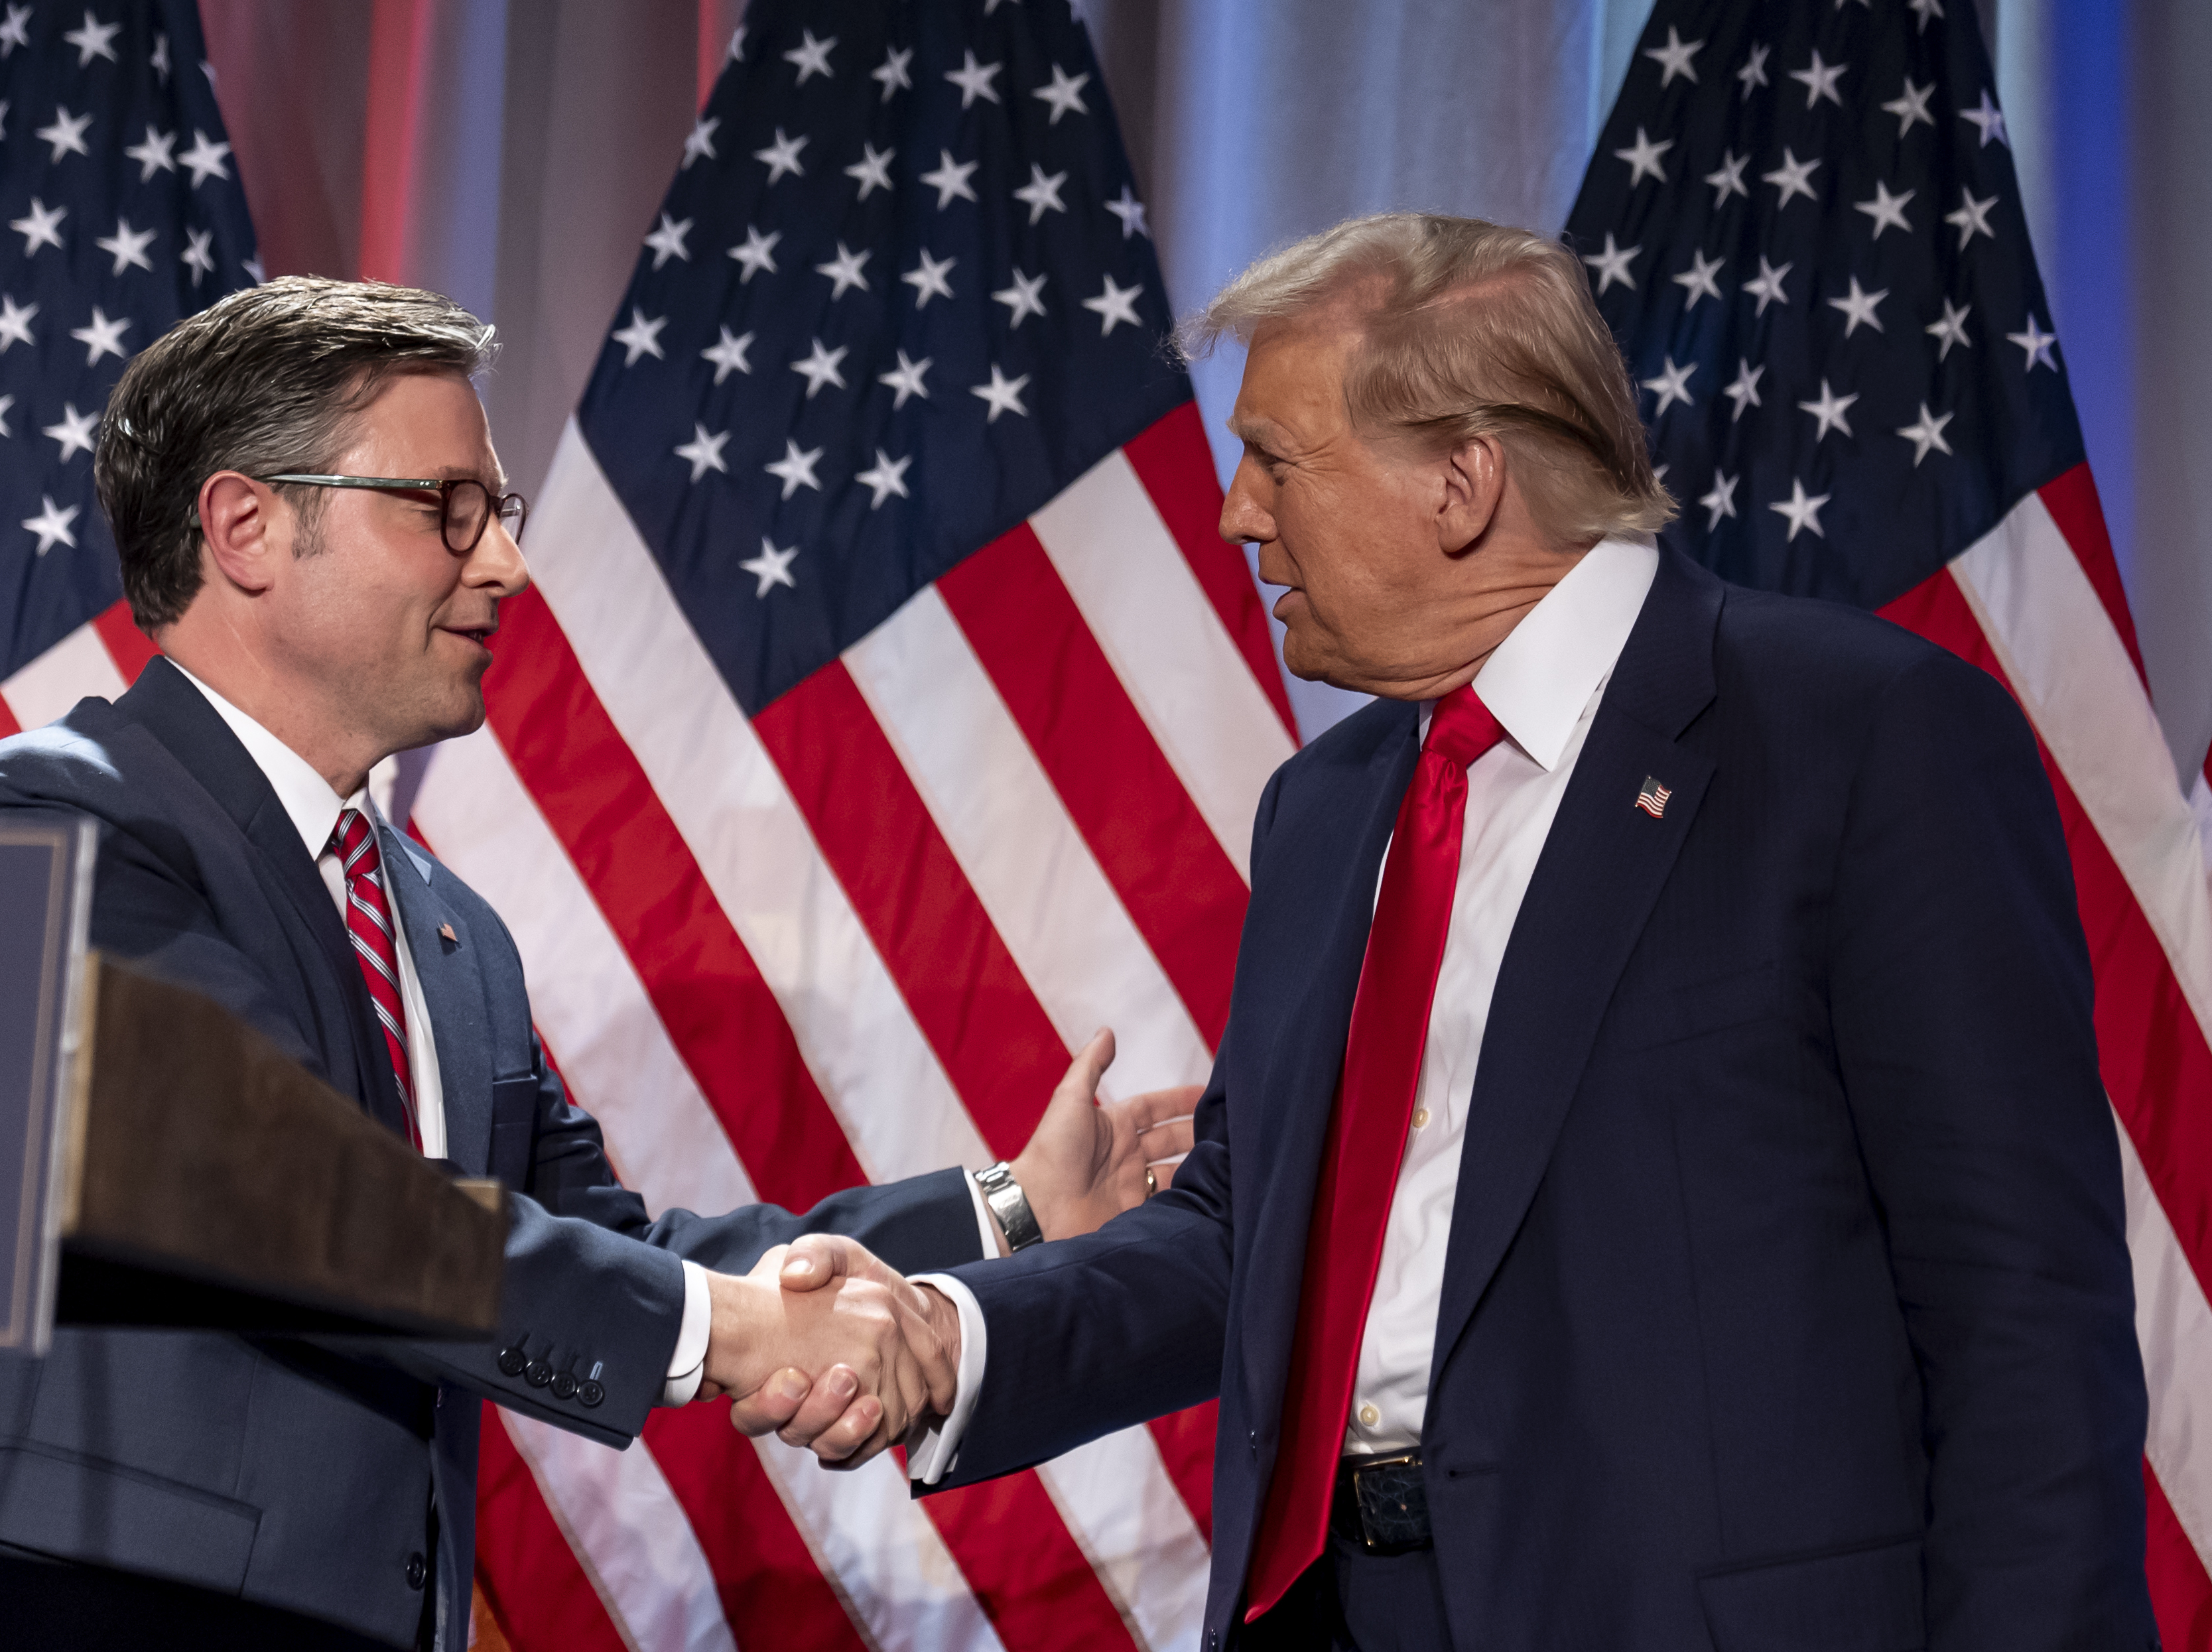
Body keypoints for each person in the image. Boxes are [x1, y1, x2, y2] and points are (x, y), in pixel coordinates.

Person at [768, 214, 2156, 1651]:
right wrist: (954, 1335)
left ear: (1462, 481)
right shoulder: (1325, 807)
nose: (1237, 513)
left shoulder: (1858, 742)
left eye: (1278, 459)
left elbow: (2021, 1324)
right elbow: (1248, 1237)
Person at [0, 277, 1191, 1652]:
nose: (504, 562)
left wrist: (1002, 1210)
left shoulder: (448, 930)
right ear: (247, 526)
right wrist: (730, 1330)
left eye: (497, 512)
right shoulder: (52, 817)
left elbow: (602, 1251)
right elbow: (279, 1199)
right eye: (447, 509)